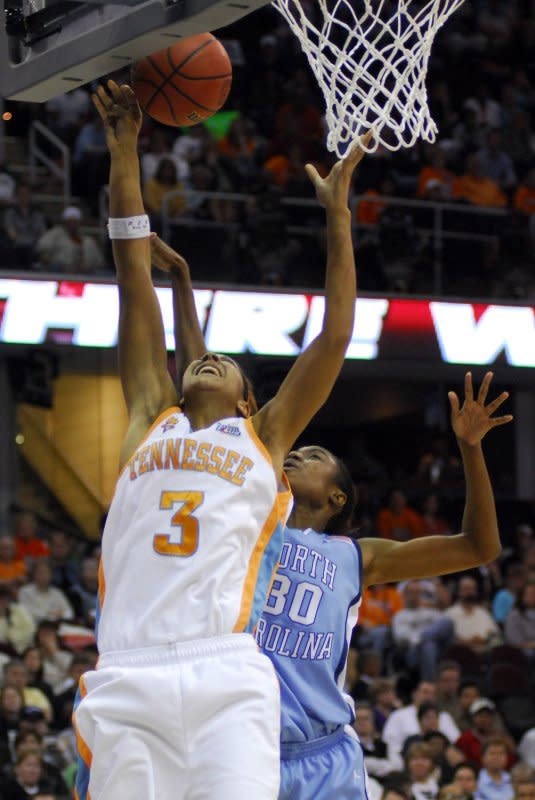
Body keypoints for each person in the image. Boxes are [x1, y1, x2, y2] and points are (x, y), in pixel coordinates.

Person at [73, 79, 365, 800]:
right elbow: (131, 270)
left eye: (227, 363)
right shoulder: (151, 415)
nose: (208, 358)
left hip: (225, 672)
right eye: (202, 357)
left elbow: (332, 336)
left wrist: (337, 219)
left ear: (247, 398)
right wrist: (124, 151)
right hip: (127, 669)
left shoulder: (264, 440)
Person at [162, 207, 510, 800]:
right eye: (299, 450)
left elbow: (480, 547)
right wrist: (183, 288)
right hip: (243, 753)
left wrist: (470, 450)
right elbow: (204, 401)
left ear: (339, 494)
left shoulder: (356, 556)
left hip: (324, 754)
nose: (297, 455)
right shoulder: (252, 510)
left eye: (315, 454)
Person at [391, 582, 454, 680]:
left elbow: (446, 625)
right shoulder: (400, 616)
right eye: (411, 592)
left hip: (438, 648)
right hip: (413, 653)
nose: (414, 596)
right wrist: (422, 640)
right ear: (404, 595)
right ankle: (430, 683)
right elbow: (400, 638)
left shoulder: (430, 612)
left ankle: (429, 684)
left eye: (417, 593)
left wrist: (426, 637)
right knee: (428, 645)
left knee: (447, 622)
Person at [36, 207, 104, 274]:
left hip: (84, 274)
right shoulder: (54, 234)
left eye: (75, 222)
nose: (72, 224)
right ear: (64, 222)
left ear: (80, 223)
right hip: (59, 272)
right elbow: (43, 252)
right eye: (70, 222)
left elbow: (99, 263)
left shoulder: (88, 241)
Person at [445, 576, 500, 652]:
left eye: (472, 589)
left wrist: (485, 640)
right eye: (466, 589)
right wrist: (468, 642)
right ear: (459, 592)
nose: (470, 592)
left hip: (487, 655)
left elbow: (498, 639)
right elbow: (447, 640)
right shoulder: (449, 614)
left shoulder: (484, 613)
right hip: (461, 655)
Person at [504, 582, 535, 658]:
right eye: (529, 594)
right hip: (522, 653)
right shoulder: (514, 615)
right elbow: (515, 642)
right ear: (522, 596)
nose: (532, 596)